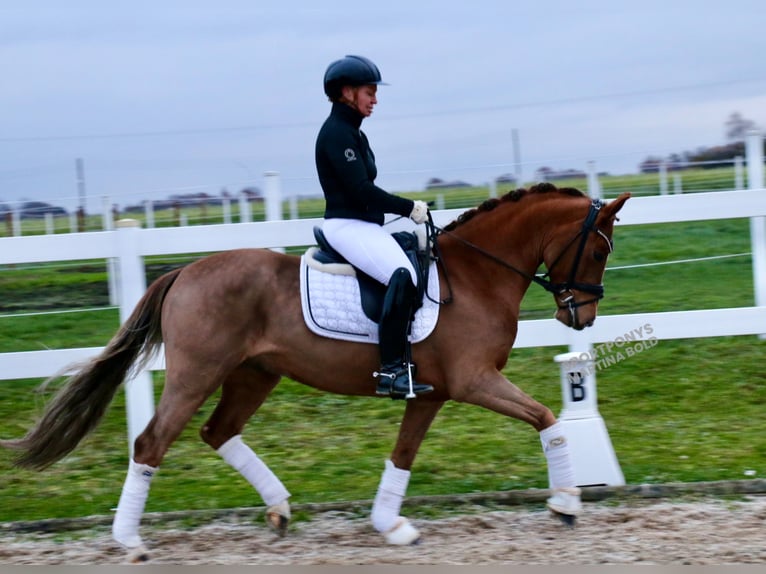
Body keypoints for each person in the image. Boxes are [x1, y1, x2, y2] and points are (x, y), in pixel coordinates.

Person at [315, 54, 433, 400]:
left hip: (362, 225)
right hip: (346, 225)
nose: (375, 99)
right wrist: (407, 207)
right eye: (369, 92)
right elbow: (361, 191)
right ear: (347, 92)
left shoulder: (352, 132)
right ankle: (391, 371)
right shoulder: (337, 134)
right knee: (402, 273)